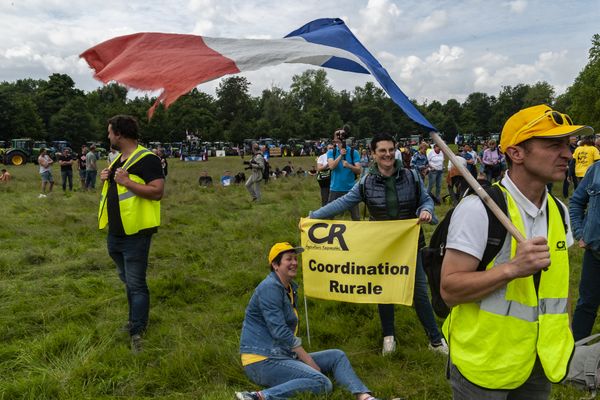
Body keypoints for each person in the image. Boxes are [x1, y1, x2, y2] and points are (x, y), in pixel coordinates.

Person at [440, 104, 588, 399]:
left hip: (540, 360)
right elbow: (450, 290)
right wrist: (512, 269)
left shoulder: (559, 212)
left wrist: (564, 332)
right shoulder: (478, 209)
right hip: (484, 365)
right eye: (553, 144)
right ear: (516, 153)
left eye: (568, 145)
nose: (568, 154)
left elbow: (559, 285)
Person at [308, 133, 447, 356]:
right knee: (384, 291)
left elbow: (426, 199)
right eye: (382, 150)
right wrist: (314, 217)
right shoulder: (366, 182)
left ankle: (436, 340)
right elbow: (343, 202)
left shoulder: (411, 176)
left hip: (411, 246)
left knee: (419, 291)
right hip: (382, 248)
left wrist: (426, 210)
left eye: (391, 149)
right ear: (373, 154)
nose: (388, 154)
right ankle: (388, 337)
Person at [236, 242, 385, 400]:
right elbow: (279, 331)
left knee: (337, 356)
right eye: (288, 259)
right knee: (322, 382)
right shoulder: (269, 288)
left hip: (281, 354)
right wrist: (309, 361)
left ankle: (364, 397)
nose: (294, 263)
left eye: (295, 258)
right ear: (275, 265)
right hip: (261, 360)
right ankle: (258, 397)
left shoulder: (289, 288)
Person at [99, 115, 165, 353]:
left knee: (136, 284)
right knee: (128, 281)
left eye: (109, 132)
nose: (107, 136)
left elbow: (157, 192)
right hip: (116, 233)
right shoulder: (118, 159)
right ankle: (134, 320)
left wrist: (126, 182)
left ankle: (137, 329)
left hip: (136, 234)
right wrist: (105, 178)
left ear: (119, 134)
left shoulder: (147, 159)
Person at [569, 158, 600, 341]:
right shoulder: (596, 169)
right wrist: (581, 233)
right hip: (596, 253)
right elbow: (576, 202)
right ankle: (574, 354)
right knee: (586, 305)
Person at [327, 129, 361, 220]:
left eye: (343, 135)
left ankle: (358, 233)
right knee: (329, 215)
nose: (341, 137)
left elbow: (359, 170)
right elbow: (331, 166)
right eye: (339, 135)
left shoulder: (354, 152)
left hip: (351, 189)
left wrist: (349, 166)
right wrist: (340, 155)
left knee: (356, 217)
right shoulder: (331, 152)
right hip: (335, 188)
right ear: (335, 139)